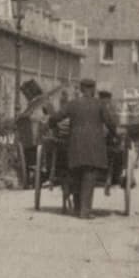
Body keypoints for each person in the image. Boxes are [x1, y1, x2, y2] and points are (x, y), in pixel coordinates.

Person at [49, 78, 116, 219]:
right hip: (94, 147)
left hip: (76, 146)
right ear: (93, 89)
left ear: (80, 89)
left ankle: (78, 207)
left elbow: (56, 117)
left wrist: (51, 123)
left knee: (76, 175)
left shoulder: (73, 104)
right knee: (89, 176)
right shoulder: (100, 105)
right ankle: (85, 211)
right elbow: (110, 122)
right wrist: (114, 134)